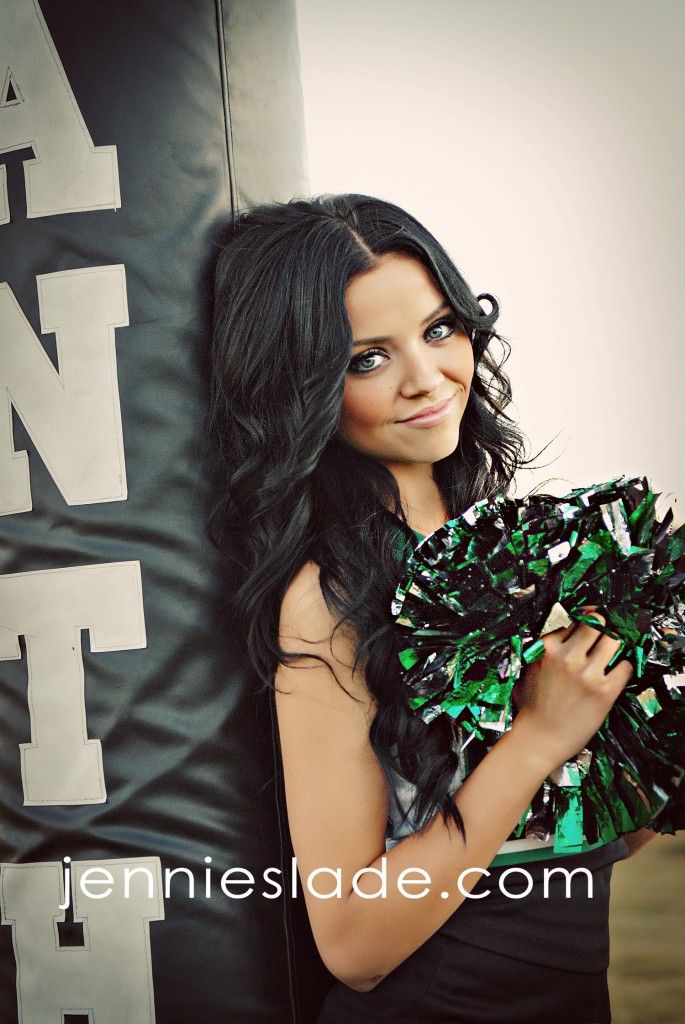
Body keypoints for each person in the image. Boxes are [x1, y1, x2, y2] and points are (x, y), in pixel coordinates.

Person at [208, 193, 657, 1024]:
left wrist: (638, 745)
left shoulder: (513, 548)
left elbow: (571, 846)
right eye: (366, 359)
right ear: (302, 384)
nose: (425, 378)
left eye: (439, 329)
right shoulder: (327, 597)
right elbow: (353, 943)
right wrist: (536, 740)